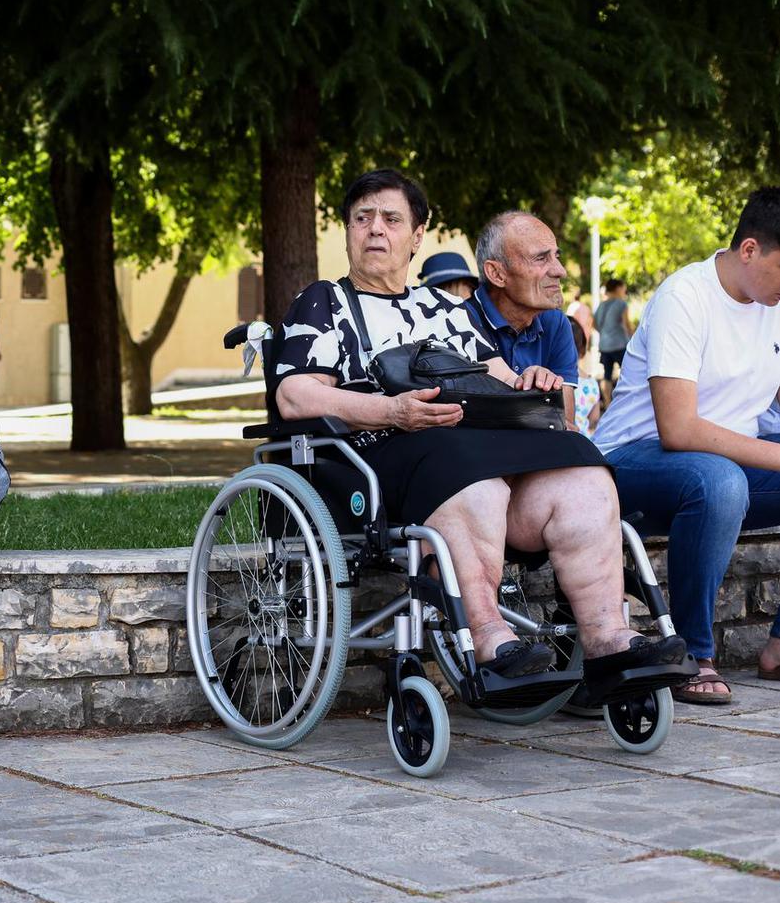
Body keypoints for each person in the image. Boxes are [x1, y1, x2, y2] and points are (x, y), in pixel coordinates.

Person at [275, 167, 686, 685]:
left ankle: (607, 640)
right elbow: (294, 394)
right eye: (363, 218)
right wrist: (394, 410)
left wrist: (528, 379)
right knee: (471, 474)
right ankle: (489, 638)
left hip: (469, 457)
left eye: (391, 218)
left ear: (417, 235)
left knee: (582, 465)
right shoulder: (325, 303)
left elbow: (496, 378)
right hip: (375, 456)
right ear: (349, 231)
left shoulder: (444, 307)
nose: (376, 229)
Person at [594, 188, 780, 704]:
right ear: (749, 250)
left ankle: (777, 649)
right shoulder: (686, 297)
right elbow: (679, 429)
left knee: (725, 477)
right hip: (633, 461)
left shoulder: (773, 305)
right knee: (720, 482)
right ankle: (695, 656)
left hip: (727, 463)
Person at [464, 211, 581, 430]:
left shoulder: (555, 323)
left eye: (557, 256)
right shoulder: (458, 323)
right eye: (540, 258)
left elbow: (566, 426)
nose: (560, 271)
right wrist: (536, 396)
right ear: (497, 274)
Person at [594, 278, 635, 402]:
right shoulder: (621, 304)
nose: (624, 292)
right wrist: (634, 337)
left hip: (604, 345)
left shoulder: (601, 305)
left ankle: (607, 404)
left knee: (606, 376)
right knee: (629, 374)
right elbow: (626, 324)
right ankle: (627, 402)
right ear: (618, 288)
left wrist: (605, 332)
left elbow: (594, 324)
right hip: (620, 345)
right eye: (624, 289)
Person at [568, 318, 603, 439]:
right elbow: (594, 419)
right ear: (582, 348)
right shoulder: (592, 383)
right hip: (584, 442)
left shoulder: (553, 379)